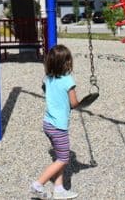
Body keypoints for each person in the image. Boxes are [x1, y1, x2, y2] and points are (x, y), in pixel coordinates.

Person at [30, 44, 80, 199]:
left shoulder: (48, 79)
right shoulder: (68, 80)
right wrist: (83, 103)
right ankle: (38, 184)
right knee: (64, 159)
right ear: (67, 63)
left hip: (48, 124)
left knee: (59, 157)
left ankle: (59, 189)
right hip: (58, 126)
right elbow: (73, 103)